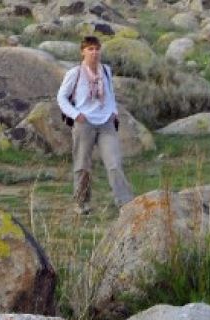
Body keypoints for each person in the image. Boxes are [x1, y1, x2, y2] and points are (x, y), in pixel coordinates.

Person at [56, 36, 133, 217]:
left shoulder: (106, 70)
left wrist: (113, 110)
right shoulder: (75, 73)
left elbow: (110, 93)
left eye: (97, 49)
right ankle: (81, 203)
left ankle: (125, 203)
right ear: (82, 51)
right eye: (90, 49)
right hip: (84, 123)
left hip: (106, 122)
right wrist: (76, 115)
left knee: (114, 163)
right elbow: (61, 97)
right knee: (83, 165)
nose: (94, 52)